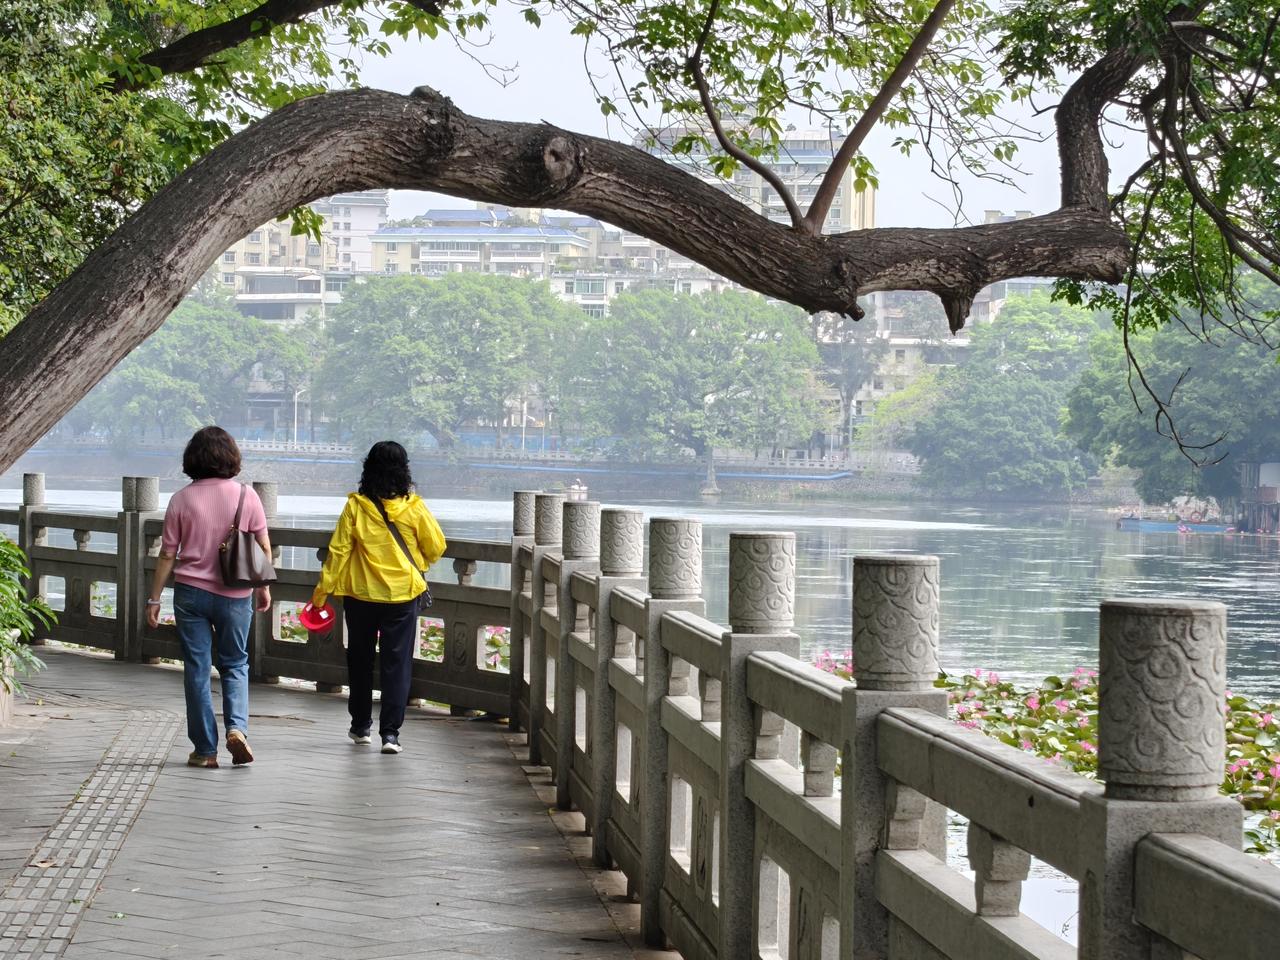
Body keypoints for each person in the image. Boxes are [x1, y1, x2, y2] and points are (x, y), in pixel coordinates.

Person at [146, 426, 272, 769]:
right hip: (235, 593)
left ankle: (204, 750)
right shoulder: (248, 496)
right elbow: (262, 546)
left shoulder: (181, 499)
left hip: (191, 593)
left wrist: (154, 599)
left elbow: (167, 555)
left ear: (193, 459)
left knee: (197, 669)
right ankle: (237, 729)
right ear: (231, 457)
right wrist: (263, 588)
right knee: (235, 663)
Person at [312, 441, 446, 754]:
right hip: (401, 596)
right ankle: (391, 735)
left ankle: (361, 727)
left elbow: (339, 552)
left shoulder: (356, 507)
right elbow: (437, 547)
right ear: (404, 470)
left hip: (360, 596)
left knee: (359, 661)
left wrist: (322, 593)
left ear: (368, 468)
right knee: (396, 665)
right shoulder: (414, 507)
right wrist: (417, 560)